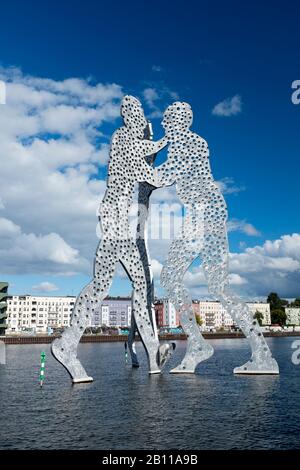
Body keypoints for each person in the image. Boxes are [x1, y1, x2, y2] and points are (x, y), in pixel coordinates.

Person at [52, 95, 172, 383]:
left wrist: (159, 144)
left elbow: (148, 155)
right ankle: (69, 345)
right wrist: (172, 147)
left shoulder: (130, 141)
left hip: (114, 221)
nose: (137, 118)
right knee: (123, 284)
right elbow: (151, 174)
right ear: (128, 117)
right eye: (134, 113)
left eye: (139, 114)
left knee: (115, 284)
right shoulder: (123, 139)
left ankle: (69, 345)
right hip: (114, 221)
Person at [157, 102, 279, 374]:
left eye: (167, 121)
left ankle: (203, 344)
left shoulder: (188, 143)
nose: (164, 126)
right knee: (214, 287)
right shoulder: (189, 142)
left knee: (172, 278)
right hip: (207, 211)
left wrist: (137, 168)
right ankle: (259, 354)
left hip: (204, 213)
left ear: (178, 122)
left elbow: (166, 173)